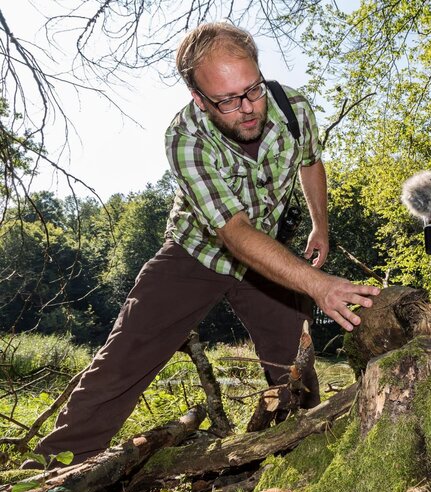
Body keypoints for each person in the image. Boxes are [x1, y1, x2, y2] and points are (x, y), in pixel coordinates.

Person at [23, 22, 380, 468]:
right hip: (196, 251)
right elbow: (232, 232)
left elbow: (310, 163)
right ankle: (54, 471)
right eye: (227, 101)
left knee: (296, 366)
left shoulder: (294, 109)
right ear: (199, 99)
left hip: (268, 256)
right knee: (126, 353)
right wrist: (317, 285)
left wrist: (320, 227)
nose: (248, 109)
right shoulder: (184, 138)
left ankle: (304, 458)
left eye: (252, 90)